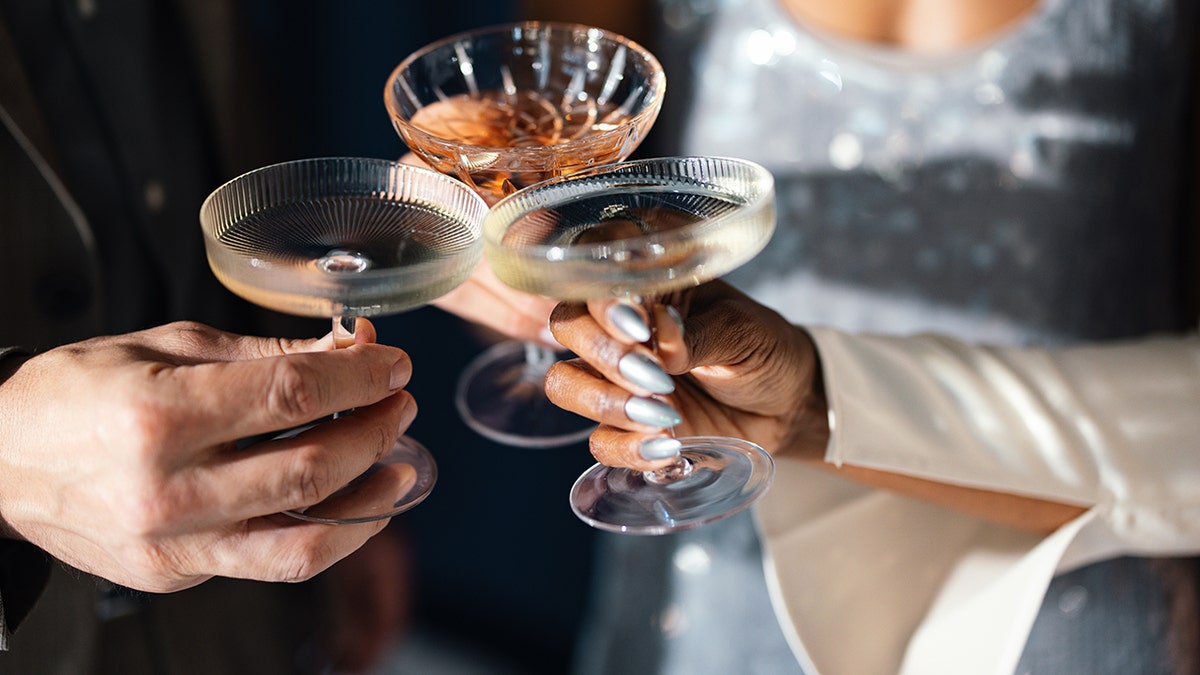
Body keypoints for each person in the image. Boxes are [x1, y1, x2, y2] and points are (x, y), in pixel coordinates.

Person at [491, 0, 1200, 673]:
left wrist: (815, 402)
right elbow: (561, 201)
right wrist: (509, 263)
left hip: (1064, 597)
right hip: (710, 578)